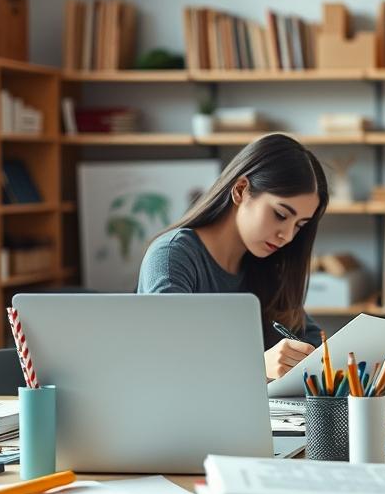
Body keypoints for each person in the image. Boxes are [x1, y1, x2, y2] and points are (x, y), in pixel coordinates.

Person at [138, 133, 329, 381]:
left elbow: (313, 343)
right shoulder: (172, 256)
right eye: (281, 215)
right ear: (240, 190)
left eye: (299, 225)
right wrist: (256, 365)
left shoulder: (265, 265)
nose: (288, 236)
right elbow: (167, 358)